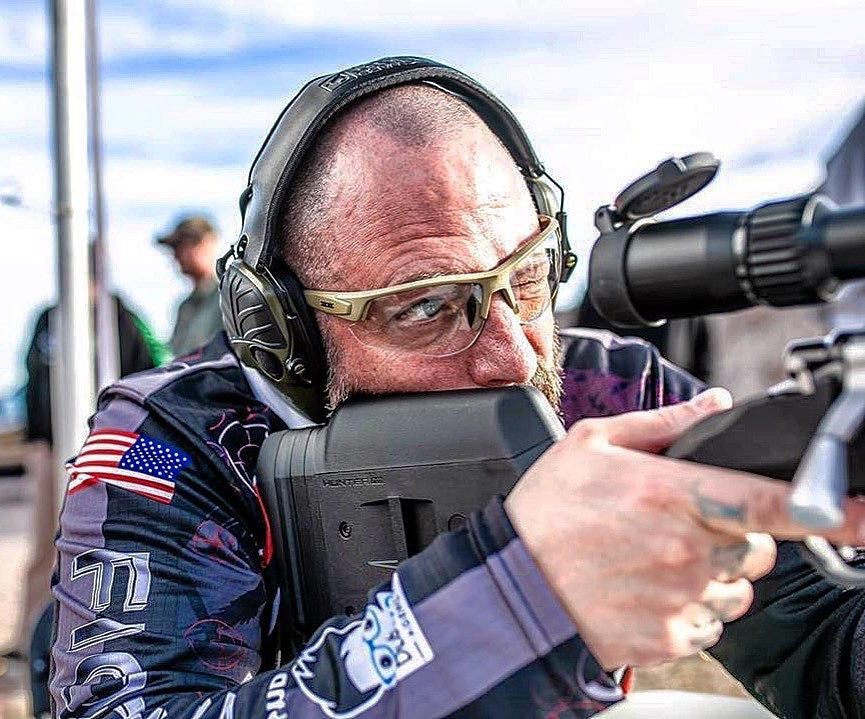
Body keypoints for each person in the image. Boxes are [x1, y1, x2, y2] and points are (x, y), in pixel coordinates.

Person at [49, 58, 865, 719]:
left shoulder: (604, 387)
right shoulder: (167, 437)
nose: (513, 355)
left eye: (531, 276)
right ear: (285, 326)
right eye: (427, 306)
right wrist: (518, 601)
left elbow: (827, 643)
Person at [6, 290, 162, 667]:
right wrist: (37, 438)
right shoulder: (48, 317)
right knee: (45, 545)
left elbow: (151, 368)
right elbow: (32, 375)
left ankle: (98, 641)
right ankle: (30, 643)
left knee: (106, 546)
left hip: (111, 446)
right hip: (52, 446)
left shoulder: (120, 314)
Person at [157, 214, 224, 356]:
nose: (176, 256)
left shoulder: (227, 299)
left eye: (183, 245)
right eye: (174, 248)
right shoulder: (184, 307)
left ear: (208, 243)